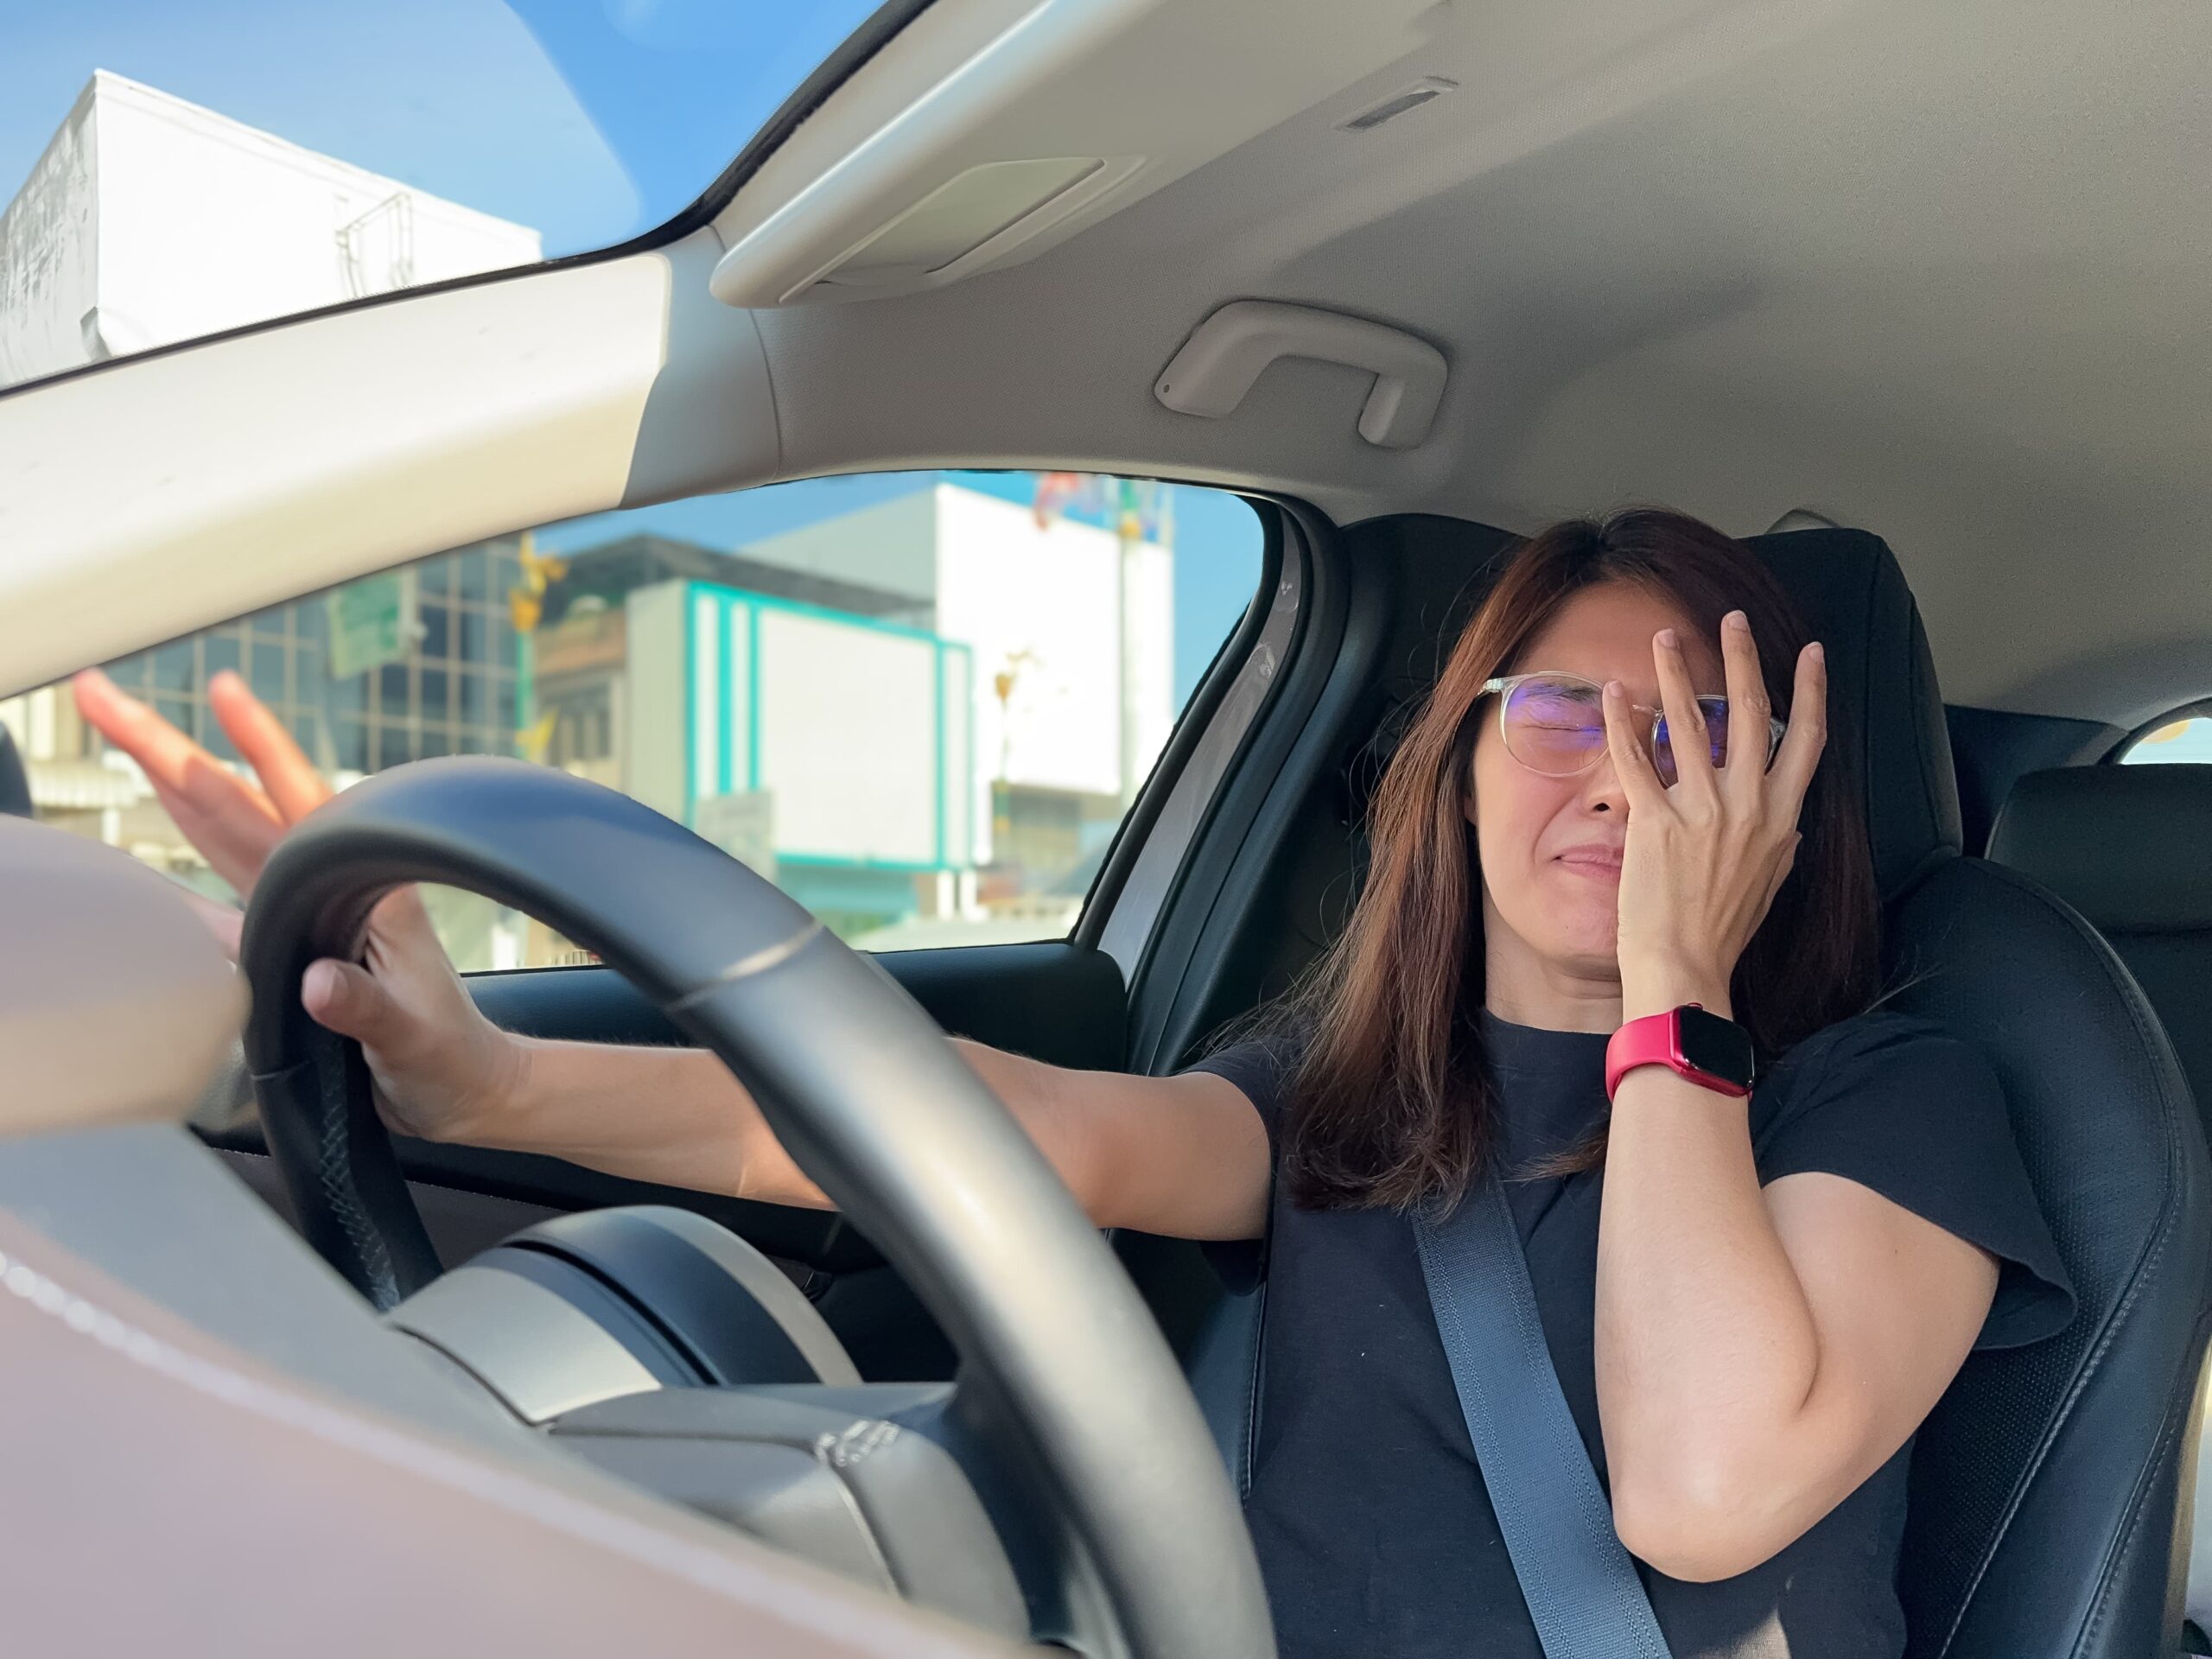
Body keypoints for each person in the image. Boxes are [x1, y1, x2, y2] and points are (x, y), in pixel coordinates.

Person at [76, 507, 2070, 1658]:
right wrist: (498, 1087)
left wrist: (1670, 990)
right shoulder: (1351, 1088)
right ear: (1455, 767)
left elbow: (1705, 1492)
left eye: (1696, 728)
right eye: (1556, 708)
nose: (1620, 768)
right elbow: (1005, 1131)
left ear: (1787, 804)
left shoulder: (1893, 1098)